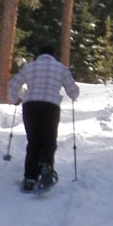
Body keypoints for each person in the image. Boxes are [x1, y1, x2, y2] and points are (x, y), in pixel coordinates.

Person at [7, 44, 80, 191]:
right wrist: (73, 95)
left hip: (30, 106)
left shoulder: (29, 67)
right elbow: (73, 91)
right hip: (50, 107)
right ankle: (46, 167)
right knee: (48, 140)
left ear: (39, 55)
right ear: (53, 56)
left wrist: (16, 99)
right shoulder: (61, 68)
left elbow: (12, 85)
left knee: (33, 142)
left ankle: (29, 178)